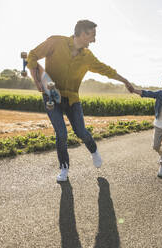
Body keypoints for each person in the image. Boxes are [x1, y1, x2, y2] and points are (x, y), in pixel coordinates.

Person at [26, 20, 133, 182]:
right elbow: (32, 55)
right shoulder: (56, 42)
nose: (94, 40)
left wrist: (125, 80)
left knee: (81, 132)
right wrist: (36, 78)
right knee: (61, 133)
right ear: (83, 34)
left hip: (72, 99)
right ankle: (64, 167)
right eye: (92, 35)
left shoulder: (87, 57)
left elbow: (106, 70)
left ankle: (94, 150)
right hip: (51, 96)